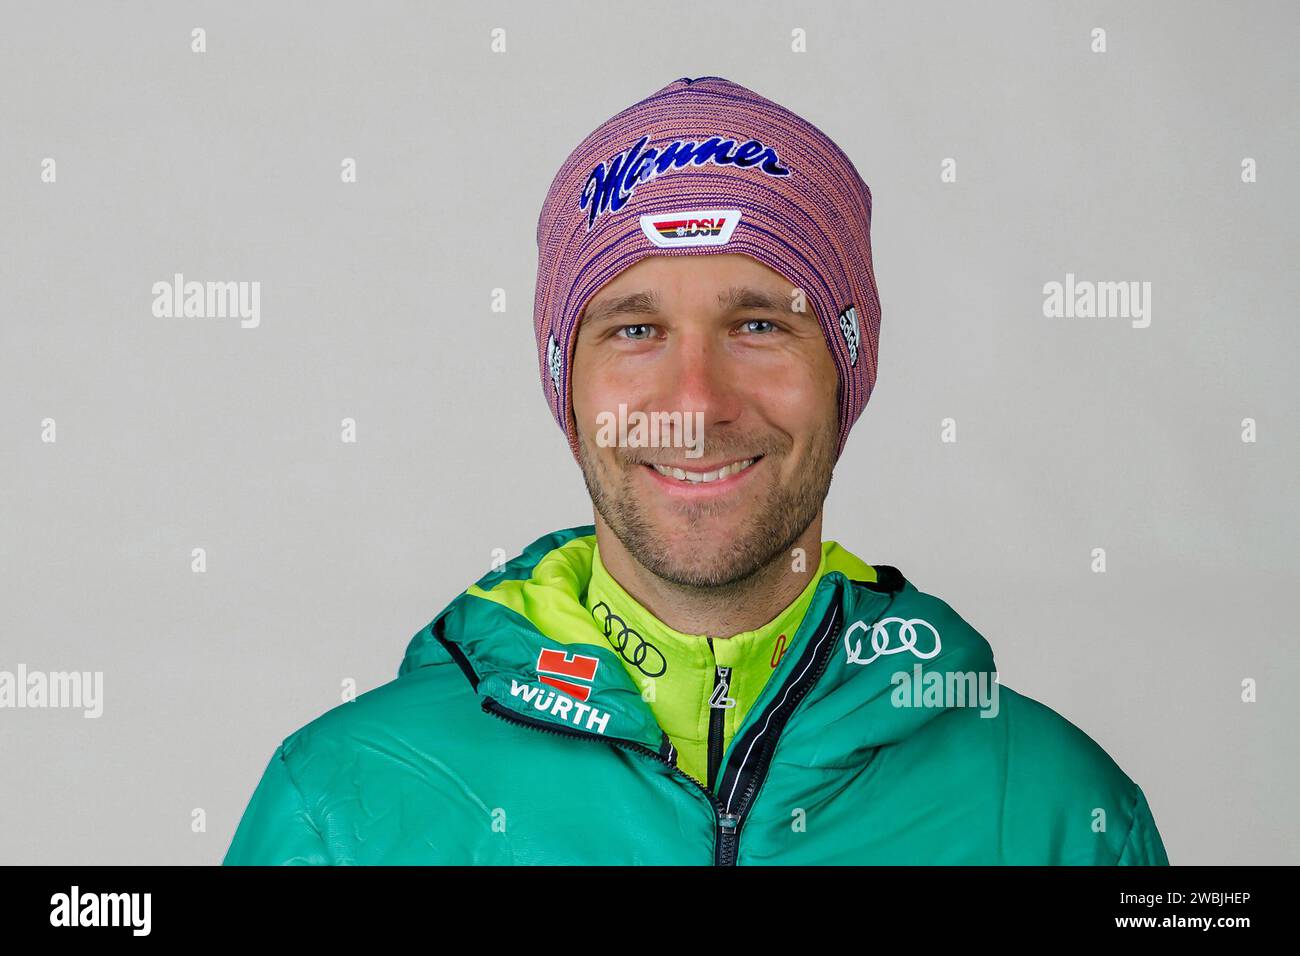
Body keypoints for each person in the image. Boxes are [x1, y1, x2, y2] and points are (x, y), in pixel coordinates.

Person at [223, 75, 1169, 865]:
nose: (697, 401)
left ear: (845, 374)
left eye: (759, 325)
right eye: (635, 330)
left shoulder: (1062, 817)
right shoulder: (341, 810)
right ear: (568, 389)